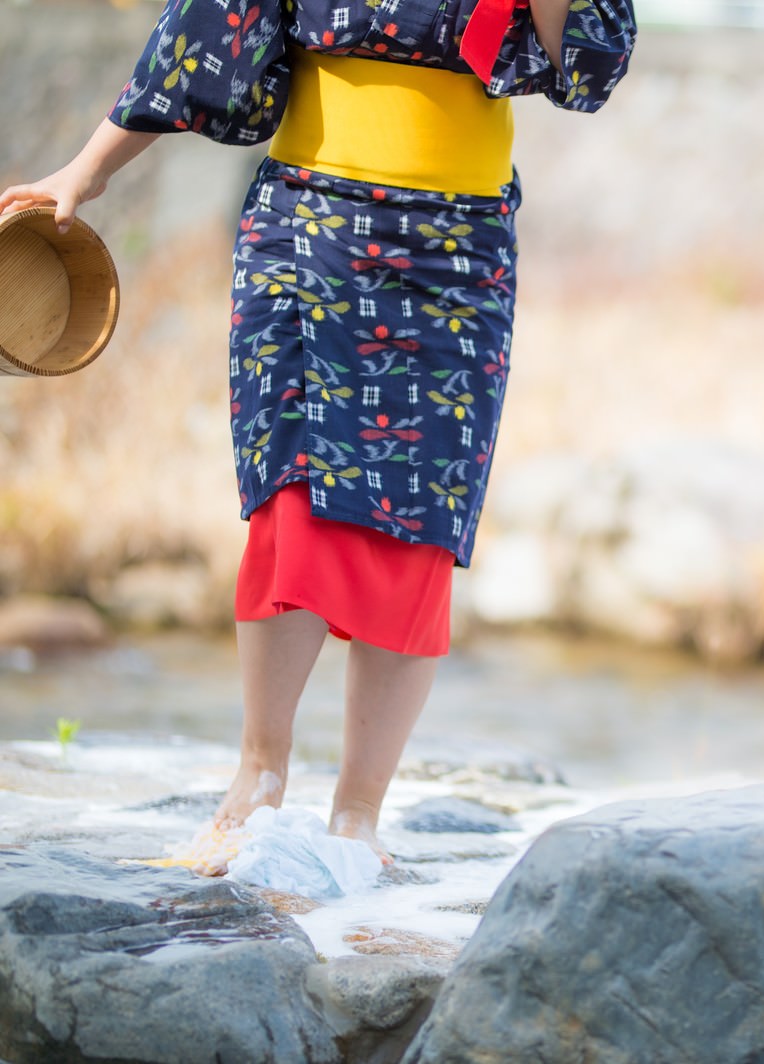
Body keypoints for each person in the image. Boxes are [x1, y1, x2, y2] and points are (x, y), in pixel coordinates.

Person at [0, 0, 636, 864]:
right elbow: (208, 31)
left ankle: (358, 815)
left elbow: (589, 69)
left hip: (458, 248)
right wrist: (88, 169)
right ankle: (258, 775)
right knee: (291, 495)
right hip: (309, 229)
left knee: (422, 518)